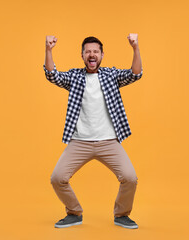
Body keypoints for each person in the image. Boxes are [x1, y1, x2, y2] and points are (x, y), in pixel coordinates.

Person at [43, 34, 143, 229]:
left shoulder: (111, 75)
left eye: (95, 51)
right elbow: (52, 75)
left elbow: (135, 73)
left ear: (102, 55)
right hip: (79, 142)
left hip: (108, 142)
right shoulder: (74, 77)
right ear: (82, 56)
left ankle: (122, 214)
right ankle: (74, 212)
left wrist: (135, 47)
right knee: (57, 178)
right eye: (88, 51)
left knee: (130, 178)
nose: (92, 54)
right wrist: (48, 50)